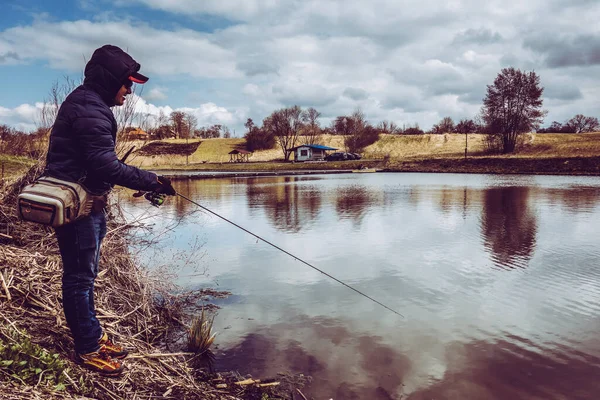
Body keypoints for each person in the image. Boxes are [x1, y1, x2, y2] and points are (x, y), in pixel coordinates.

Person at [44, 44, 176, 376]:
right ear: (107, 80)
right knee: (78, 279)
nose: (130, 91)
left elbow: (97, 165)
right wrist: (152, 181)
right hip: (77, 209)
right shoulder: (89, 109)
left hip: (87, 204)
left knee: (84, 277)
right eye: (126, 83)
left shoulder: (90, 104)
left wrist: (146, 183)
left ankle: (93, 336)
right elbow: (105, 166)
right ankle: (88, 349)